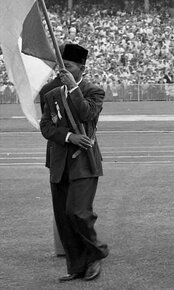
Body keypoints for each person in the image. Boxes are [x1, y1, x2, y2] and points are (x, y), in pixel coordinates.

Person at [39, 43, 109, 282]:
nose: (62, 71)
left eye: (67, 66)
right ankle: (78, 266)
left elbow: (86, 114)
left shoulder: (94, 91)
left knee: (78, 212)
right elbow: (46, 126)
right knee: (63, 218)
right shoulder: (50, 93)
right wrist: (69, 136)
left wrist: (72, 87)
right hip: (59, 163)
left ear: (81, 68)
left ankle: (96, 254)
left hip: (85, 162)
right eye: (60, 67)